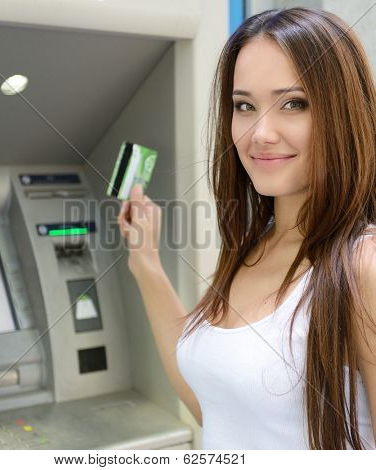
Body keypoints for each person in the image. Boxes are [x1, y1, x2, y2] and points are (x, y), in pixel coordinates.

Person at [117, 6, 375, 450]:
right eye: (244, 106)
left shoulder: (362, 266)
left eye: (294, 104)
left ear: (344, 111)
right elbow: (216, 408)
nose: (260, 133)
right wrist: (146, 265)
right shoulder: (254, 244)